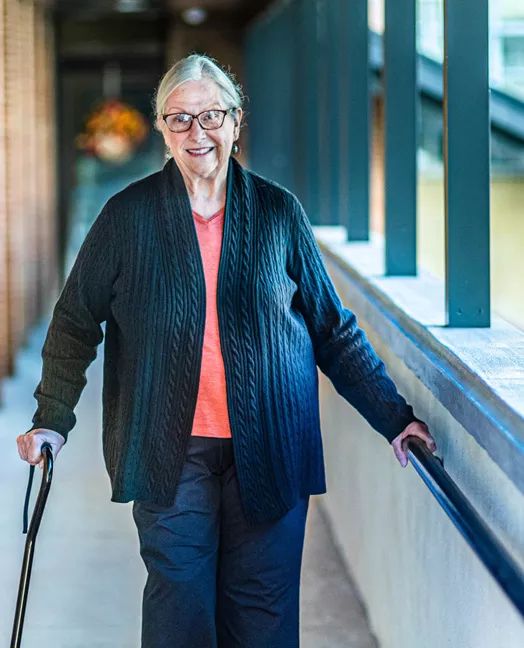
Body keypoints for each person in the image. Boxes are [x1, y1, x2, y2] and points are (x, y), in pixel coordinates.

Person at [16, 54, 436, 648]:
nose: (197, 133)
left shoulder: (277, 213)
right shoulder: (126, 217)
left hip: (271, 444)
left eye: (210, 115)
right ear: (162, 130)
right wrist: (51, 419)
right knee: (179, 612)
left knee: (262, 619)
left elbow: (331, 329)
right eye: (180, 119)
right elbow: (74, 322)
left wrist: (395, 419)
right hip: (168, 450)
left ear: (236, 123)